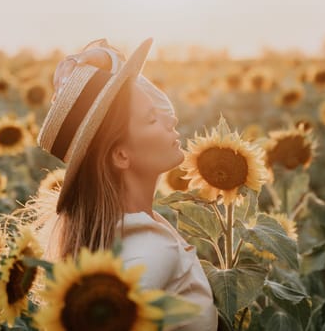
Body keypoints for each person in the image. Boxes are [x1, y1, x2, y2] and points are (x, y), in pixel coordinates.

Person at [36, 38, 218, 330]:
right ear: (121, 155)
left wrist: (107, 61)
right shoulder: (149, 251)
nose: (169, 121)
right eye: (151, 120)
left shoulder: (119, 230)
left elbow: (160, 109)